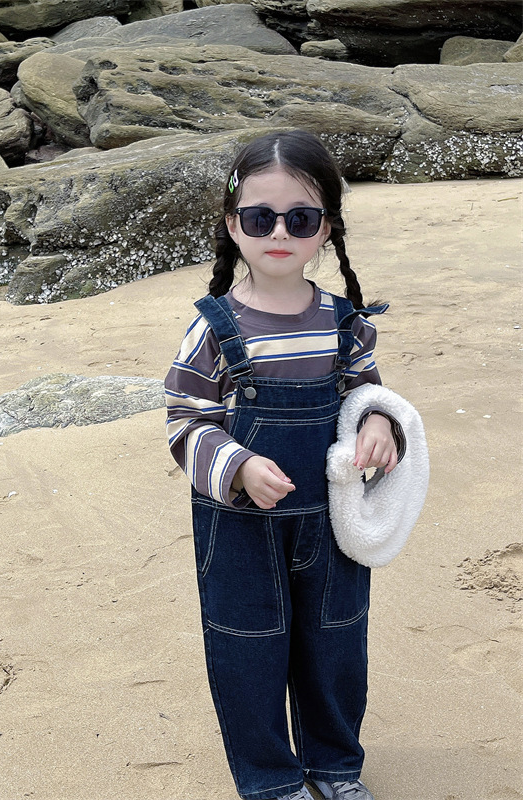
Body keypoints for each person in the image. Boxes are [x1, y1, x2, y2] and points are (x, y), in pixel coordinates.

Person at [164, 130, 404, 800]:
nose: (278, 232)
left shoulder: (344, 322)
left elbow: (367, 394)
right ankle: (270, 778)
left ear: (325, 227)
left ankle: (335, 765)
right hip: (240, 524)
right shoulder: (213, 329)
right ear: (231, 224)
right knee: (248, 645)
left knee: (337, 643)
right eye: (258, 218)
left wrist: (379, 424)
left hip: (331, 520)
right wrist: (237, 465)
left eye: (299, 219)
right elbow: (185, 421)